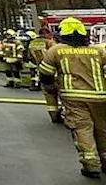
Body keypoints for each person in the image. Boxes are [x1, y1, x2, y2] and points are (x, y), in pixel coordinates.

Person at [39, 17, 106, 179]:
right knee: (103, 129)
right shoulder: (98, 50)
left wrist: (50, 89)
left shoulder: (56, 51)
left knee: (83, 128)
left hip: (73, 97)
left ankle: (91, 165)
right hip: (101, 97)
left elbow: (45, 73)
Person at [31, 28, 63, 122]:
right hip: (54, 71)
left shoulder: (32, 43)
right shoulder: (50, 43)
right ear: (47, 34)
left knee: (49, 95)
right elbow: (56, 55)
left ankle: (54, 116)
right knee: (62, 94)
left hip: (42, 71)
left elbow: (30, 56)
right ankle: (65, 114)